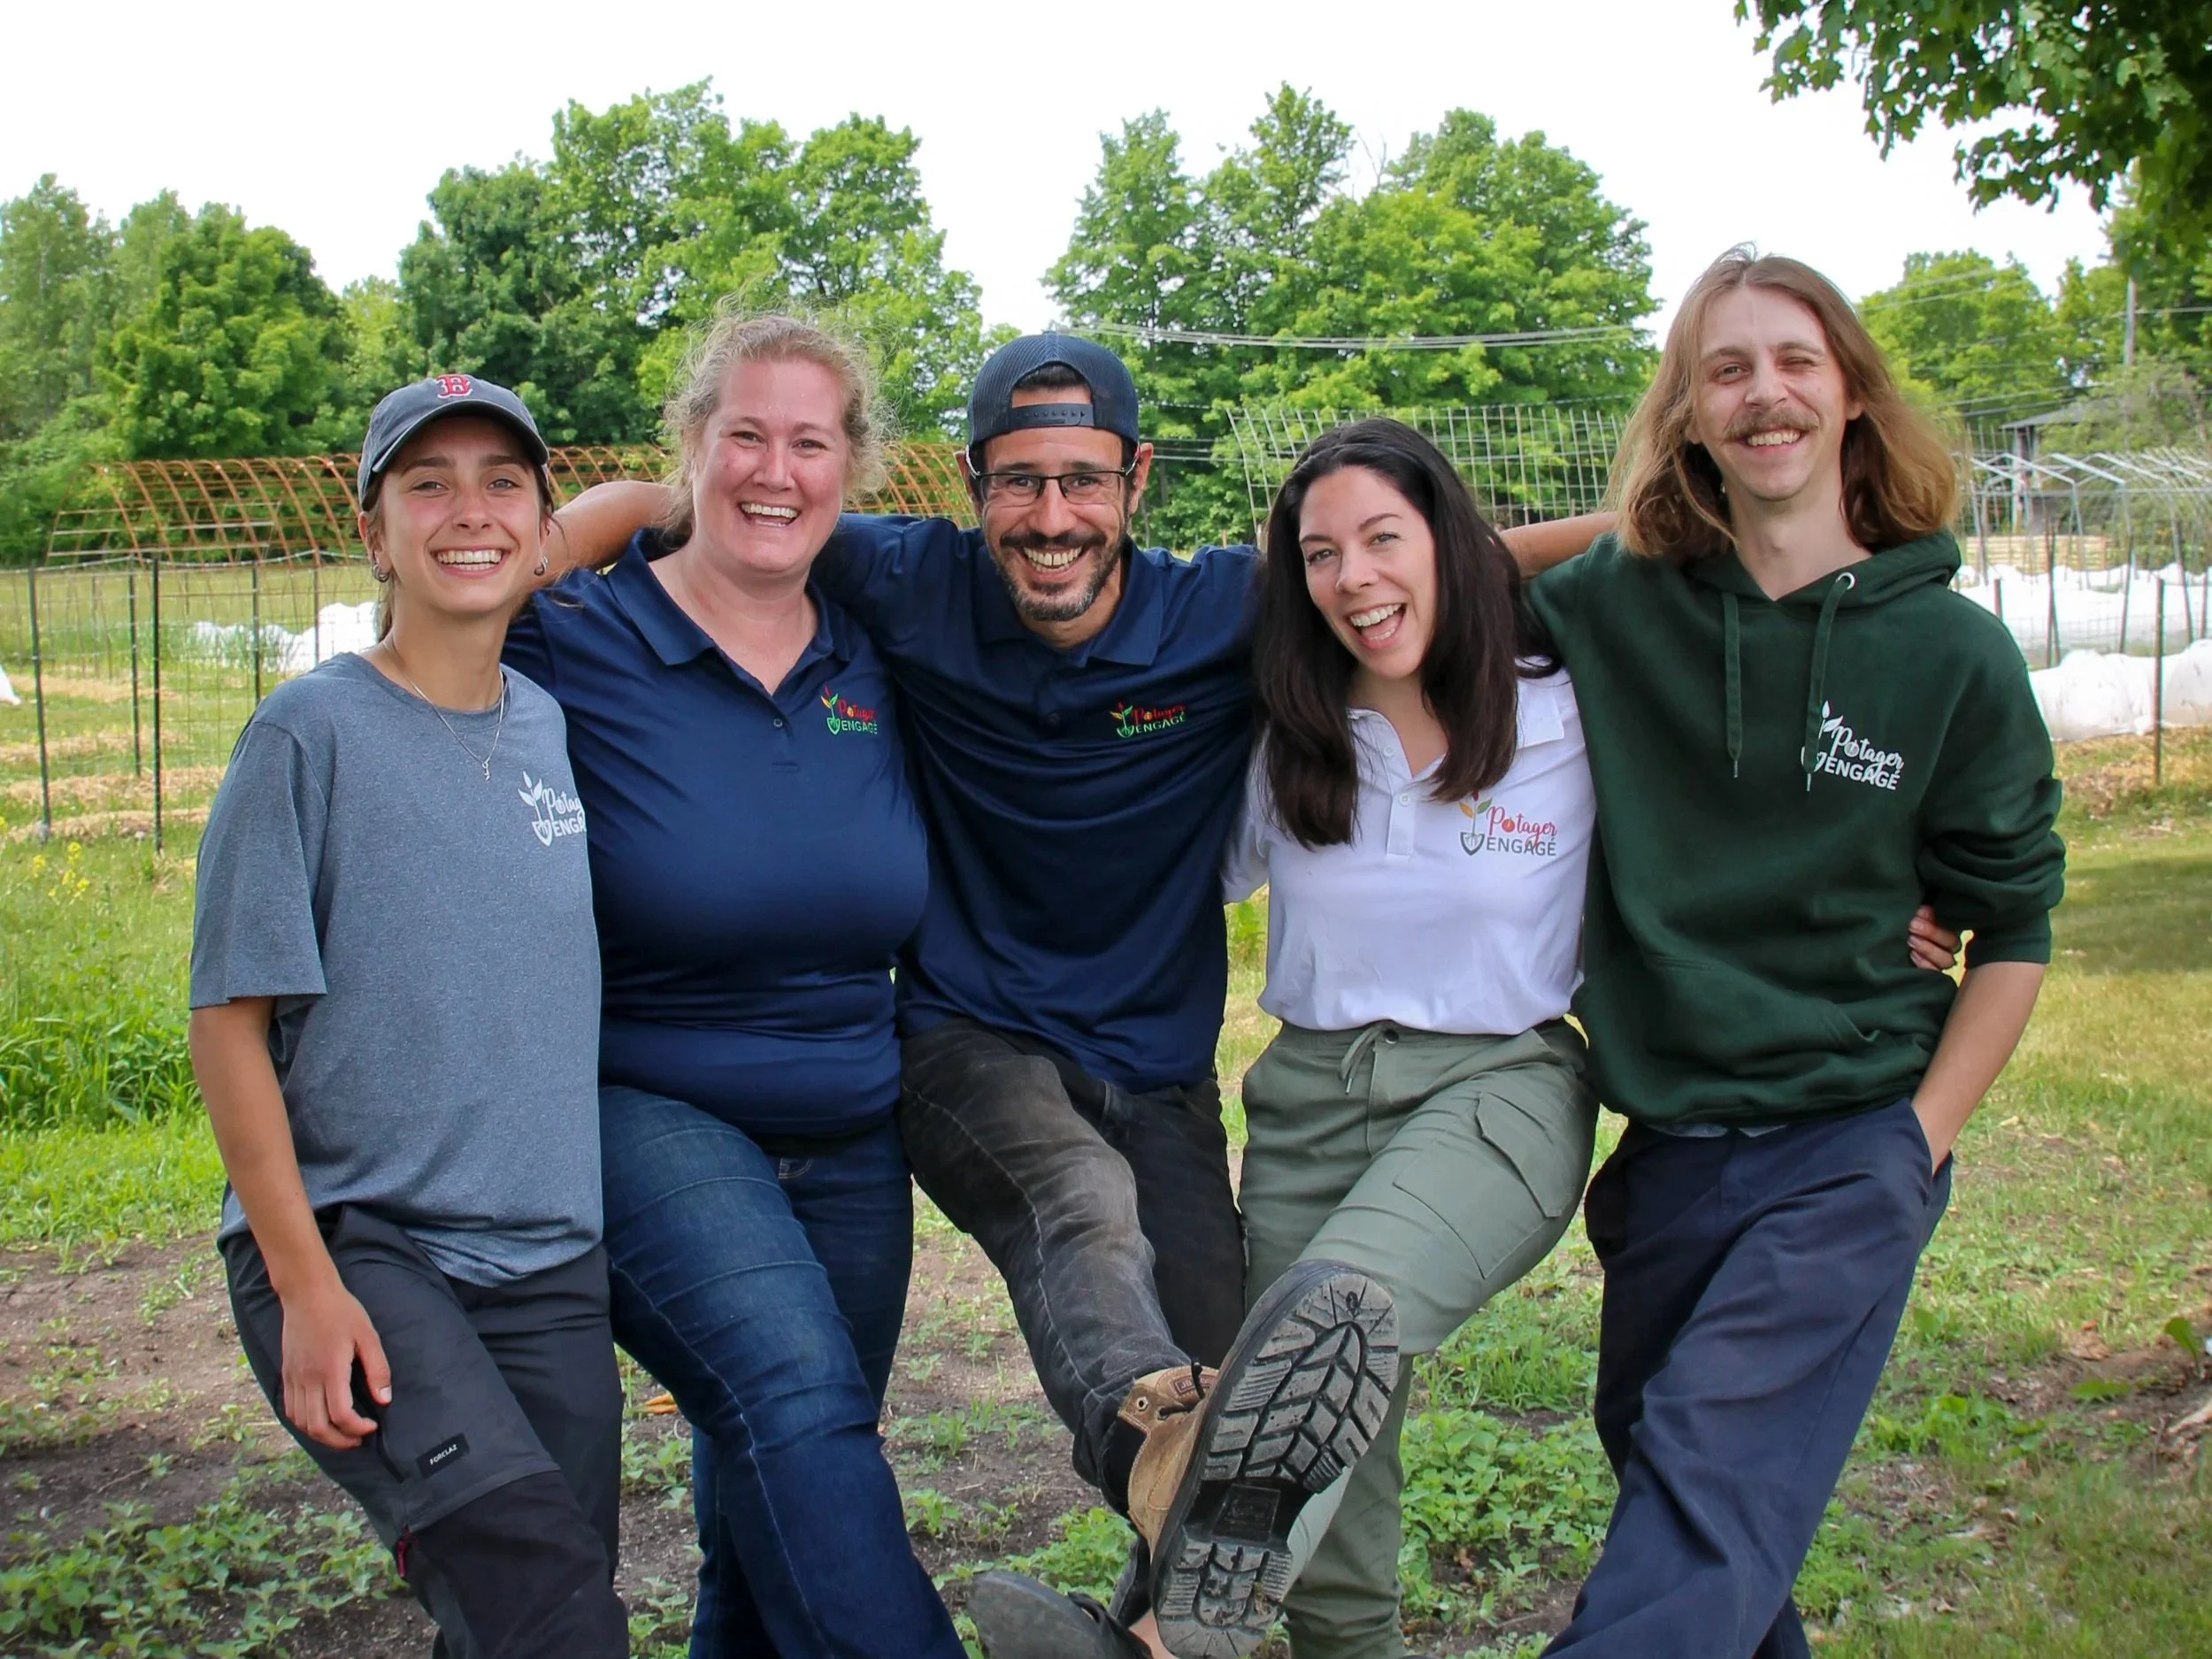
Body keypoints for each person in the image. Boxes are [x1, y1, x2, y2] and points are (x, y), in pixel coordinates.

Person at [555, 334, 1604, 1657]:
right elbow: (695, 502)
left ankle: (1149, 1628)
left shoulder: (1226, 607)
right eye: (1018, 481)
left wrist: (1667, 524)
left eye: (1083, 481)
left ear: (1136, 479)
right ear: (972, 484)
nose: (1051, 517)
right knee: (1078, 1200)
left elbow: (1454, 557)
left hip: (1157, 1067)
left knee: (1243, 1369)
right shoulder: (909, 576)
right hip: (966, 1040)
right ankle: (1155, 1458)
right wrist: (541, 545)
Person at [1525, 249, 2065, 1657]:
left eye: (1795, 363)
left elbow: (2014, 927)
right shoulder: (1619, 603)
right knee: (1679, 1476)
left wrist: (1914, 1145)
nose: (1765, 393)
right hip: (1673, 1145)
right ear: (1688, 412)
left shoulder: (1952, 654)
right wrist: (1641, 516)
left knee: (1708, 1479)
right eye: (1726, 371)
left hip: (1849, 1136)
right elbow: (1432, 564)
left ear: (1854, 395)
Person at [500, 311, 969, 1656]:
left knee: (776, 1507)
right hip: (650, 1104)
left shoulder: (875, 653)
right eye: (744, 435)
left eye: (810, 443)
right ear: (691, 443)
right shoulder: (575, 636)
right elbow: (444, 595)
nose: (776, 471)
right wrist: (611, 508)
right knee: (797, 1399)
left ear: (853, 466)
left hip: (852, 1133)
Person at [189, 375, 626, 1658]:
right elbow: (228, 1024)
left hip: (547, 1264)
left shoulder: (545, 725)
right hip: (367, 1246)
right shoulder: (309, 733)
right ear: (375, 535)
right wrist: (305, 1286)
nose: (469, 511)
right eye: (427, 485)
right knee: (553, 1615)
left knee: (528, 1607)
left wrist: (678, 492)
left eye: (503, 483)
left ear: (541, 530)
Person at [1211, 417, 1601, 1657]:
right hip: (1308, 1104)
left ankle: (1157, 1635)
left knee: (1328, 1328)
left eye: (1385, 538)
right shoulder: (1287, 728)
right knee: (1333, 1448)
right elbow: (1164, 879)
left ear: (1453, 539)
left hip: (1499, 1084)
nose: (1355, 580)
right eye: (1320, 555)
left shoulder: (1564, 708)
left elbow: (1671, 544)